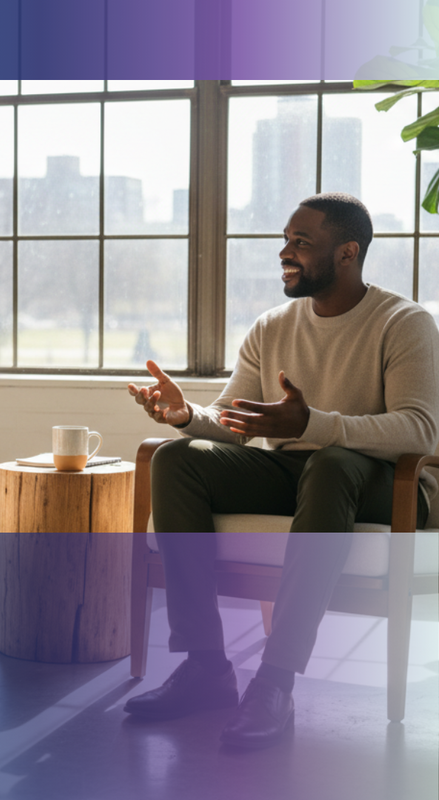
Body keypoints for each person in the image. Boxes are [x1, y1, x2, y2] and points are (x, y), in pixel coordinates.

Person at [125, 192, 439, 748]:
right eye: (285, 240)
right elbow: (235, 422)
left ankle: (275, 682)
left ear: (347, 253)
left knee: (333, 463)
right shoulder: (272, 326)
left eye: (301, 242)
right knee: (178, 458)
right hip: (303, 473)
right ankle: (205, 667)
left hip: (389, 486)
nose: (284, 253)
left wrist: (314, 423)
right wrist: (185, 416)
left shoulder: (404, 322)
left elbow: (420, 431)